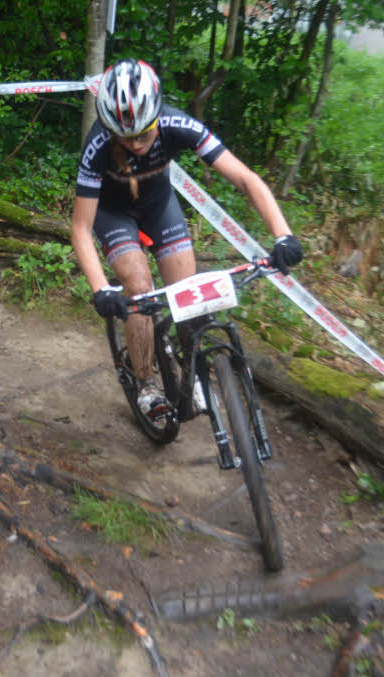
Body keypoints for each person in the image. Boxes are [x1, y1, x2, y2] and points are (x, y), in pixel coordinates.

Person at [71, 58, 303, 419]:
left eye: (144, 134)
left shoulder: (177, 124)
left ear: (157, 117)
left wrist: (282, 235)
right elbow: (81, 228)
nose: (135, 145)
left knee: (187, 294)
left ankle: (192, 368)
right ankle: (146, 383)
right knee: (138, 285)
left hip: (159, 207)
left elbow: (246, 179)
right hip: (112, 214)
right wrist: (101, 289)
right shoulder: (98, 145)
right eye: (126, 137)